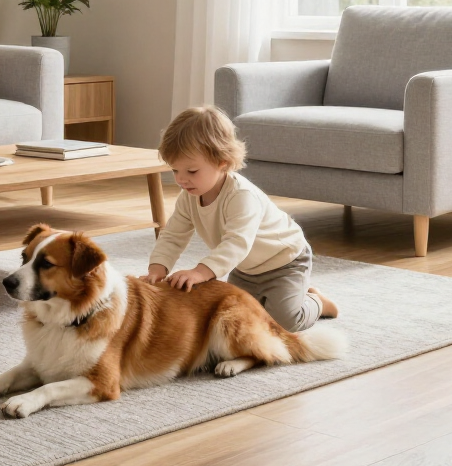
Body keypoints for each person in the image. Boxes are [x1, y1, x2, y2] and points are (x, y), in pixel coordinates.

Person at [141, 105, 338, 333]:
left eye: (192, 171)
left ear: (222, 162)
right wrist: (158, 269)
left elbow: (236, 244)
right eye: (175, 171)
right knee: (235, 318)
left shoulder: (241, 196)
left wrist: (199, 272)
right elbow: (173, 235)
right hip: (246, 268)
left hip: (285, 261)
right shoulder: (188, 197)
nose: (181, 179)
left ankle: (318, 302)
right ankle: (280, 297)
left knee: (284, 322)